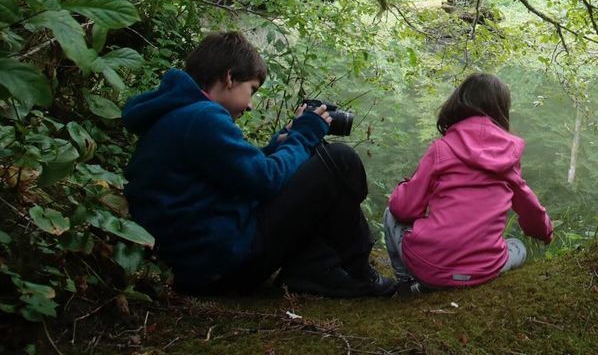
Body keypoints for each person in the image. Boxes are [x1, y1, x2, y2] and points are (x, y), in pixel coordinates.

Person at [122, 31, 395, 297]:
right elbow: (265, 180)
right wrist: (303, 136)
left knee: (311, 156)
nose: (251, 105)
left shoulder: (180, 113)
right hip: (220, 267)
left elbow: (239, 173)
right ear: (229, 77)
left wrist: (283, 143)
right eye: (251, 90)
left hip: (200, 263)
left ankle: (315, 269)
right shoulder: (202, 117)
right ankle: (358, 272)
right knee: (339, 160)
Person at [384, 73, 553, 293]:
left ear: (459, 102)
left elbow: (403, 208)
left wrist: (403, 191)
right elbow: (529, 207)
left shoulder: (442, 148)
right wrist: (545, 232)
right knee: (517, 246)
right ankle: (456, 277)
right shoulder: (508, 155)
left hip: (429, 268)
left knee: (390, 214)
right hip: (485, 270)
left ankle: (407, 284)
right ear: (501, 109)